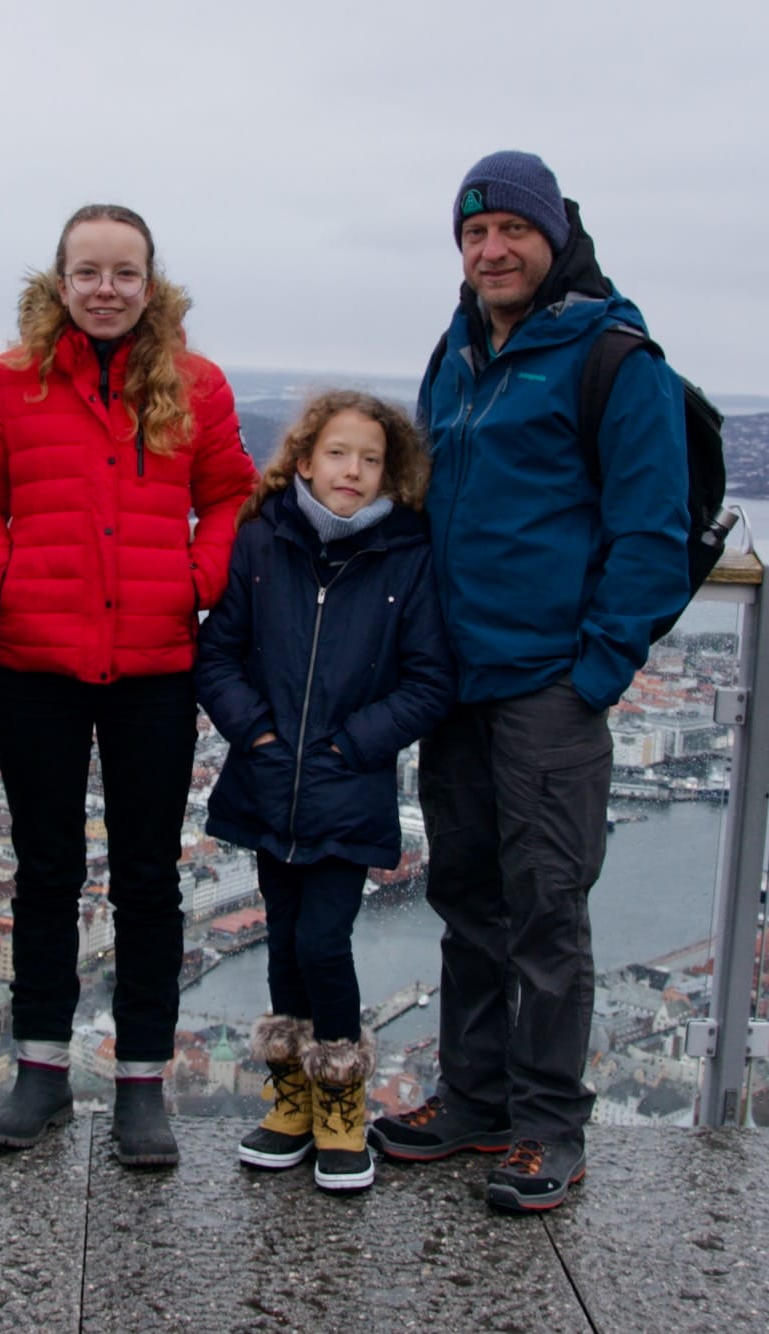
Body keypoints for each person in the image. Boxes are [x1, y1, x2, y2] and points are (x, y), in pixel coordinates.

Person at [367, 151, 690, 1212]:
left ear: (553, 236)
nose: (491, 250)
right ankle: (474, 1099)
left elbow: (651, 532)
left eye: (511, 229)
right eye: (473, 234)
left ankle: (548, 1126)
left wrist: (594, 672)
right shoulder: (458, 352)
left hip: (548, 687)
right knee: (466, 900)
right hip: (455, 682)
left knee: (546, 910)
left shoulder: (613, 359)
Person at [0, 204, 256, 1166]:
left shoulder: (197, 385)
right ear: (60, 281)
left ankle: (142, 1083)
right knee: (45, 872)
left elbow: (230, 495)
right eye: (88, 272)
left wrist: (196, 580)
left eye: (124, 273)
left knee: (148, 880)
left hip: (155, 664)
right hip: (37, 660)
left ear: (151, 284)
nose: (106, 289)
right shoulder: (10, 382)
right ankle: (39, 1072)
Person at [195, 391, 454, 1192]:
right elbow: (217, 653)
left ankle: (341, 1100)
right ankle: (295, 1100)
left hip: (347, 787)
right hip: (270, 782)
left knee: (321, 941)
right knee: (283, 939)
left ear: (390, 473)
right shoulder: (262, 540)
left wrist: (352, 744)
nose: (353, 470)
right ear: (304, 461)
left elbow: (430, 680)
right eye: (338, 453)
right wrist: (257, 733)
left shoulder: (406, 555)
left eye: (371, 459)